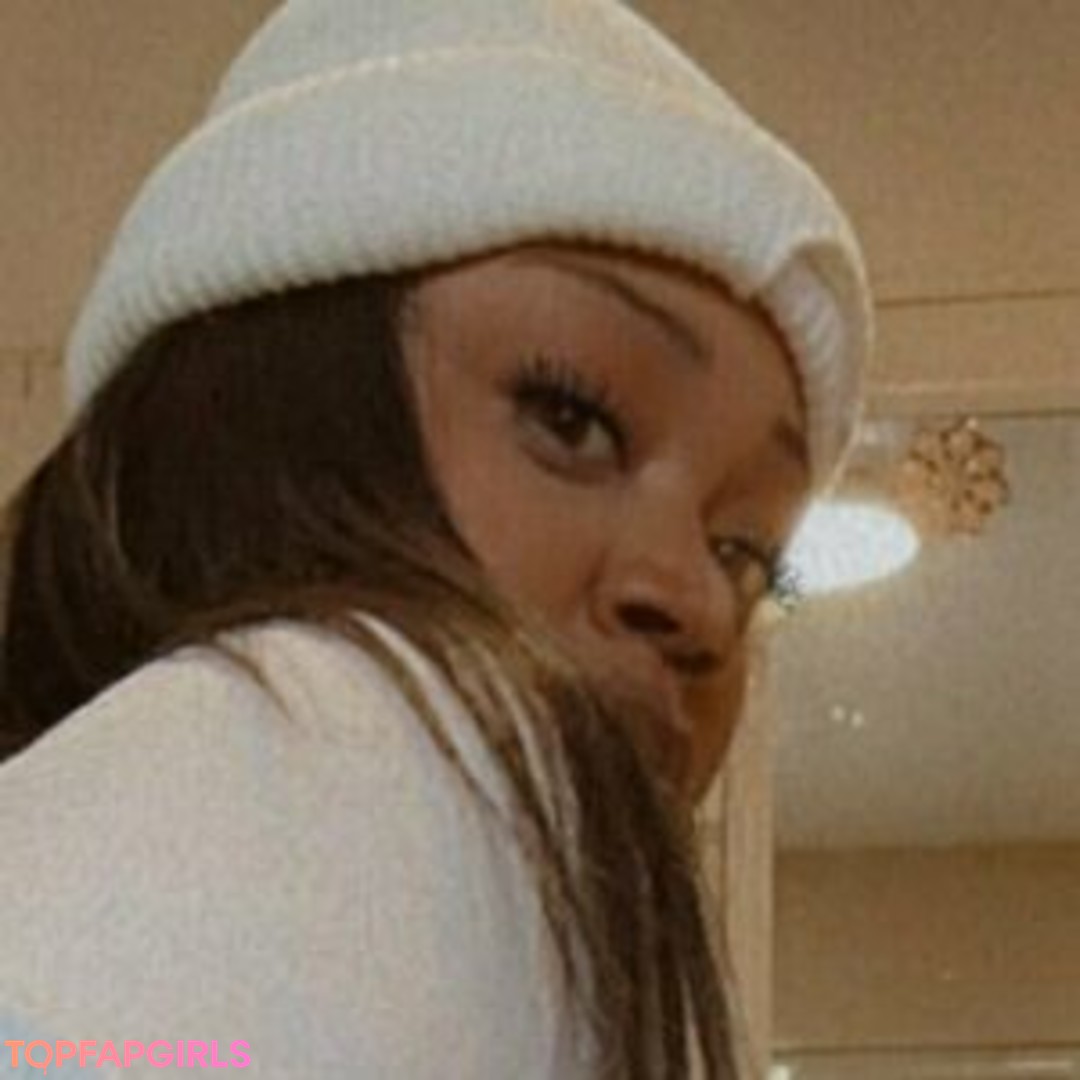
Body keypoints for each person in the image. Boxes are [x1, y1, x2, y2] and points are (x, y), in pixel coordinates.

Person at [0, 1, 871, 1077]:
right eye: (571, 418)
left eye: (746, 552)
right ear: (267, 402)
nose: (697, 599)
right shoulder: (313, 762)